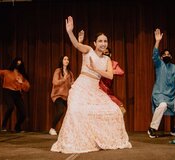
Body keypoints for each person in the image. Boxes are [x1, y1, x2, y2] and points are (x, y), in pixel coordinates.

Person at [50, 16, 132, 153]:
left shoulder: (107, 59)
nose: (103, 43)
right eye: (100, 41)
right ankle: (78, 141)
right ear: (95, 43)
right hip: (81, 87)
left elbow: (110, 75)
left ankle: (102, 139)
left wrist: (96, 69)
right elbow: (76, 45)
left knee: (114, 111)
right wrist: (70, 32)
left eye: (105, 41)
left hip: (95, 90)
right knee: (76, 111)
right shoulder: (88, 50)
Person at [147, 28, 175, 138]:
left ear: (171, 57)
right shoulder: (159, 64)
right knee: (163, 105)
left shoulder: (174, 67)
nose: (166, 56)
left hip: (171, 97)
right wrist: (157, 41)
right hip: (159, 94)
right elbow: (154, 55)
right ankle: (152, 128)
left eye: (169, 55)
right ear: (161, 57)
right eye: (164, 54)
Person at [78, 30, 126, 115]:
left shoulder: (112, 63)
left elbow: (120, 72)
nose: (105, 54)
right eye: (104, 53)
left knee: (119, 110)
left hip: (108, 91)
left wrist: (109, 71)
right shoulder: (95, 58)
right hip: (97, 88)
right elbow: (84, 52)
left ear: (110, 55)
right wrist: (80, 42)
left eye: (107, 53)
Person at [0, 53, 30, 133]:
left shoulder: (21, 75)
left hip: (17, 93)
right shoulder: (7, 72)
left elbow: (27, 88)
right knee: (10, 107)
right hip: (8, 91)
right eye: (17, 63)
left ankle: (17, 127)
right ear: (14, 63)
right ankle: (4, 125)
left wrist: (21, 83)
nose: (18, 65)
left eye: (20, 64)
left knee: (23, 113)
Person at [49, 55, 74, 135]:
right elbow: (55, 82)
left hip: (67, 96)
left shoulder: (70, 73)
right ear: (62, 61)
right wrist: (64, 79)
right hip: (58, 95)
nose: (66, 60)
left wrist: (73, 84)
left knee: (72, 111)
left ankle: (69, 130)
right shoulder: (58, 71)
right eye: (65, 59)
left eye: (67, 59)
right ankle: (52, 128)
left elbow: (71, 84)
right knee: (60, 111)